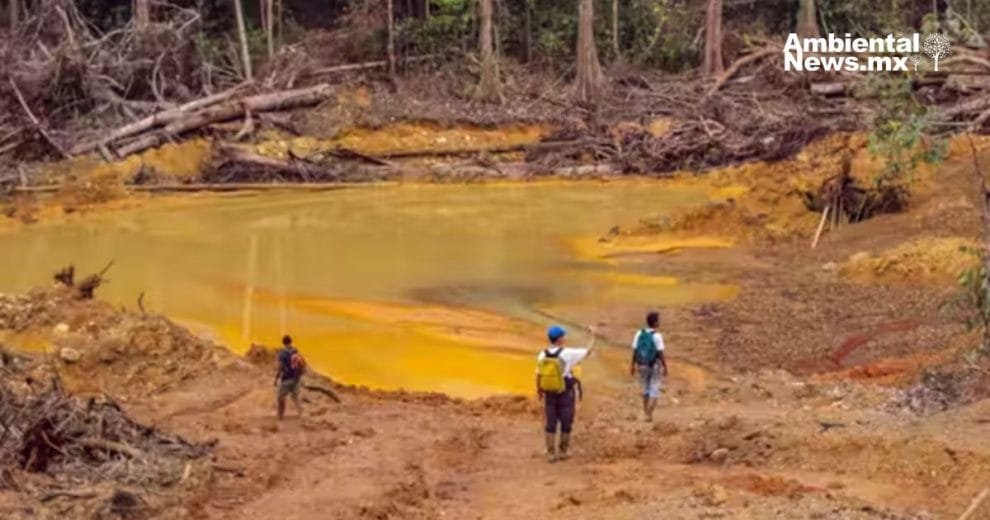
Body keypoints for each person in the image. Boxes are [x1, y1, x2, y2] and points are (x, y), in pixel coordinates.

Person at [536, 324, 596, 462]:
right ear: (560, 339)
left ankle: (551, 453)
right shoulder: (568, 353)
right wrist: (593, 335)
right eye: (564, 335)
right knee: (566, 421)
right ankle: (563, 451)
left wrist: (539, 390)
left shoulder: (542, 354)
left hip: (549, 391)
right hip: (565, 392)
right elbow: (588, 351)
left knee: (551, 422)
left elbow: (538, 375)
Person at [630, 311, 668, 422]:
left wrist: (632, 365)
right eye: (659, 320)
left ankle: (646, 412)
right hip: (654, 365)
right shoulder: (657, 336)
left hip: (641, 364)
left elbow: (635, 350)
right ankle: (649, 414)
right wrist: (665, 367)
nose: (660, 322)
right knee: (654, 389)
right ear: (655, 322)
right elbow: (660, 353)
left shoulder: (639, 333)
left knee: (645, 389)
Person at [274, 335, 306, 420]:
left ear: (283, 343)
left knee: (281, 397)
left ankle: (281, 415)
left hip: (287, 378)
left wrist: (276, 378)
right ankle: (302, 414)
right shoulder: (295, 351)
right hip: (296, 378)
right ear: (291, 342)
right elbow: (301, 363)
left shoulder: (283, 353)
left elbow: (280, 367)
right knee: (295, 397)